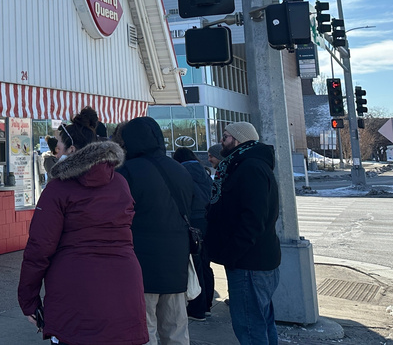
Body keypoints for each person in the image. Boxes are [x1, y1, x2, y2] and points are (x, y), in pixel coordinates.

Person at [19, 110, 148, 345]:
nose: (54, 147)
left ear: (70, 149)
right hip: (125, 284)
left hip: (75, 288)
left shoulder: (59, 188)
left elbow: (39, 247)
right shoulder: (119, 182)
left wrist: (28, 299)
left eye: (58, 143)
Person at [117, 116, 194, 345]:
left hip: (141, 264)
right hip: (177, 263)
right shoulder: (179, 169)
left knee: (143, 329)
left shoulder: (126, 172)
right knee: (176, 329)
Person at [205, 122, 281, 345]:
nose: (222, 141)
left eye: (226, 137)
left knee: (250, 327)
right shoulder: (245, 164)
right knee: (261, 322)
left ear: (239, 140)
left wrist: (232, 253)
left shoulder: (250, 167)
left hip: (250, 263)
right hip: (254, 260)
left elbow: (252, 219)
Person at [174, 147, 213, 321]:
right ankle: (208, 304)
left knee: (194, 266)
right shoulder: (203, 172)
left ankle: (197, 308)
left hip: (192, 222)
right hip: (207, 220)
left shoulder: (181, 173)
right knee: (205, 263)